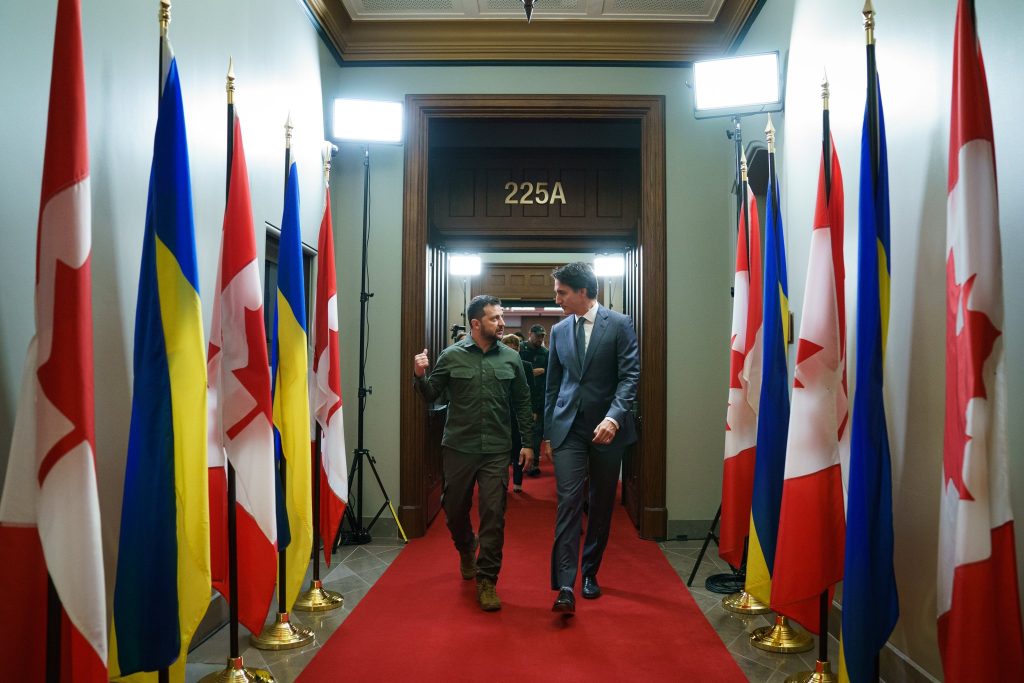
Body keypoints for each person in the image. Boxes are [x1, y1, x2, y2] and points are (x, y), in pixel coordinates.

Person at [413, 295, 534, 611]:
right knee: (454, 509)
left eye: (501, 317)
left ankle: (487, 581)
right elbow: (431, 395)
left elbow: (522, 402)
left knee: (494, 514)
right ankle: (466, 547)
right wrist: (419, 375)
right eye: (495, 318)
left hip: (496, 448)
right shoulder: (452, 356)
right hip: (459, 447)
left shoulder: (511, 358)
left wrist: (529, 443)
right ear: (476, 323)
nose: (502, 323)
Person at [541, 262, 640, 615]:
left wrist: (614, 417)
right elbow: (553, 385)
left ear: (583, 291)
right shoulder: (559, 330)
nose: (557, 299)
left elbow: (630, 376)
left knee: (600, 503)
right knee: (568, 500)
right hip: (569, 428)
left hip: (608, 431)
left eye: (562, 292)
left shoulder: (620, 324)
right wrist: (548, 433)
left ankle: (589, 572)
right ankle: (565, 584)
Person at [500, 333, 534, 492]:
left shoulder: (526, 366)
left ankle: (518, 482)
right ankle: (502, 481)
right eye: (509, 349)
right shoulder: (497, 363)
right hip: (501, 414)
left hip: (519, 413)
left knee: (519, 447)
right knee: (502, 450)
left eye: (515, 349)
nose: (513, 352)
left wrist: (533, 411)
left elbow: (531, 391)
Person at [519, 324, 549, 475]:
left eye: (542, 336)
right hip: (521, 395)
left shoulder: (545, 353)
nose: (540, 338)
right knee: (521, 431)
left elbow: (549, 376)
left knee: (537, 432)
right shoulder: (520, 349)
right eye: (537, 335)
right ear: (530, 334)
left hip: (539, 396)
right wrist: (531, 372)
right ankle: (520, 462)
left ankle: (534, 463)